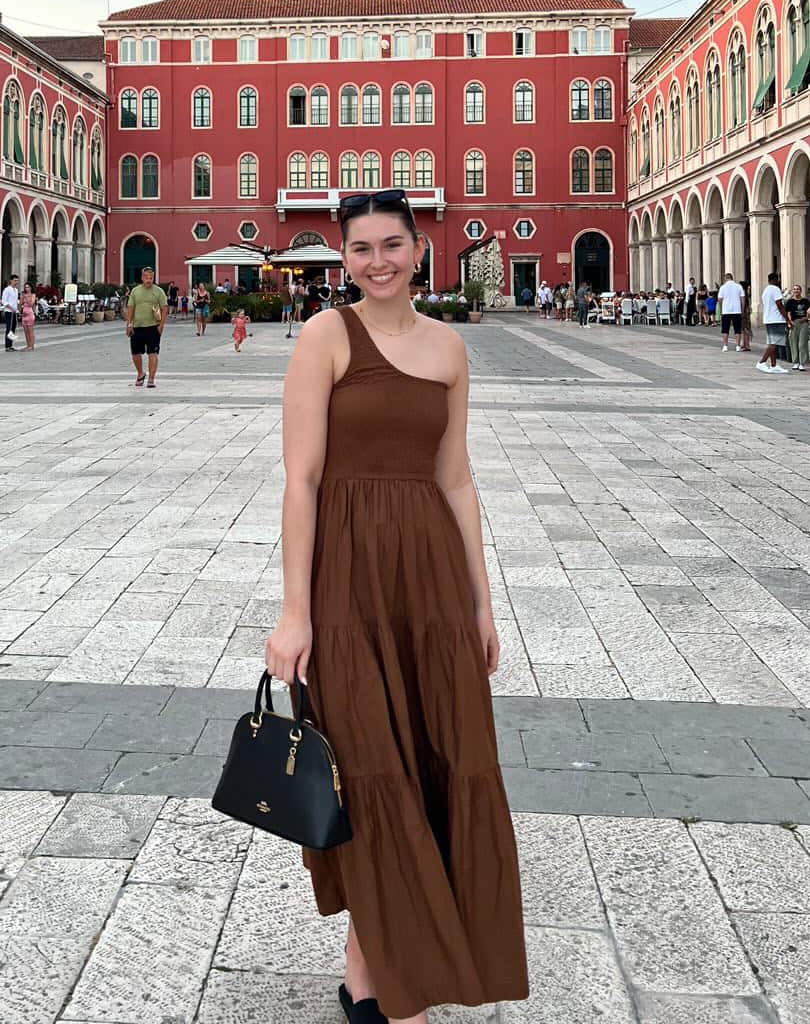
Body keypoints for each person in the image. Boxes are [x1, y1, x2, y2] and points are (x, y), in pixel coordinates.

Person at [265, 189, 528, 1021]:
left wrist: (482, 603)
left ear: (419, 249)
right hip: (348, 580)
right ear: (343, 259)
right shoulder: (324, 336)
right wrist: (294, 612)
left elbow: (456, 476)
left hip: (431, 581)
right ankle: (385, 984)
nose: (376, 261)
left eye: (391, 245)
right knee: (371, 769)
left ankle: (367, 983)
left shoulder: (450, 348)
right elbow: (301, 478)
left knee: (431, 763)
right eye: (360, 249)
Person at [126, 264, 168, 386]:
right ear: (142, 278)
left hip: (153, 327)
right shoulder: (135, 291)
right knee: (135, 354)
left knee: (152, 353)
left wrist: (161, 326)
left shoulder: (158, 291)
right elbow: (130, 308)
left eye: (151, 277)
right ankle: (140, 373)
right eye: (146, 277)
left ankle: (151, 379)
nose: (149, 280)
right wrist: (129, 324)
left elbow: (164, 308)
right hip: (137, 327)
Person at [757, 271, 788, 373]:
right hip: (776, 319)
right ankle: (762, 362)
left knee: (772, 342)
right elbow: (779, 304)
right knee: (774, 343)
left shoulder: (766, 290)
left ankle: (774, 365)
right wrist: (787, 319)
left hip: (769, 319)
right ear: (775, 280)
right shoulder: (775, 289)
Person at [783, 284, 810, 370]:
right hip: (794, 322)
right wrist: (790, 322)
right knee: (793, 342)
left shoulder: (805, 301)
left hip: (803, 323)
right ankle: (795, 362)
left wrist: (806, 318)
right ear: (793, 291)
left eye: (798, 289)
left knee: (802, 343)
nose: (796, 291)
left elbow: (809, 311)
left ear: (801, 291)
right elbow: (788, 312)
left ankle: (802, 362)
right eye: (795, 289)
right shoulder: (790, 302)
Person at [717, 272, 744, 351]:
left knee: (725, 329)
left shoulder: (723, 287)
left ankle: (725, 346)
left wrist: (721, 309)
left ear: (725, 278)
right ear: (732, 278)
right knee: (737, 329)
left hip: (726, 311)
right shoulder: (739, 287)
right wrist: (742, 309)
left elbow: (720, 299)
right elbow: (742, 298)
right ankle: (738, 346)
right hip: (737, 310)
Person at [1, 273, 20, 351]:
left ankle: (11, 345)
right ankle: (7, 346)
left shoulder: (16, 290)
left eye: (17, 281)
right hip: (9, 311)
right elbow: (4, 301)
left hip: (14, 312)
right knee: (9, 328)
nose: (16, 282)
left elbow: (16, 301)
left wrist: (17, 308)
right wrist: (11, 308)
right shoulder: (7, 289)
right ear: (11, 281)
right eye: (15, 281)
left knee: (13, 328)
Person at [20, 283, 38, 351]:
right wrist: (22, 298)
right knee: (25, 331)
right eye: (25, 287)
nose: (26, 288)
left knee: (30, 331)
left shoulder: (33, 295)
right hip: (24, 314)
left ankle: (31, 345)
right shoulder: (24, 295)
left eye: (28, 287)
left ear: (30, 288)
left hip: (30, 314)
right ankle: (28, 345)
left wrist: (26, 298)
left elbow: (31, 304)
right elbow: (21, 303)